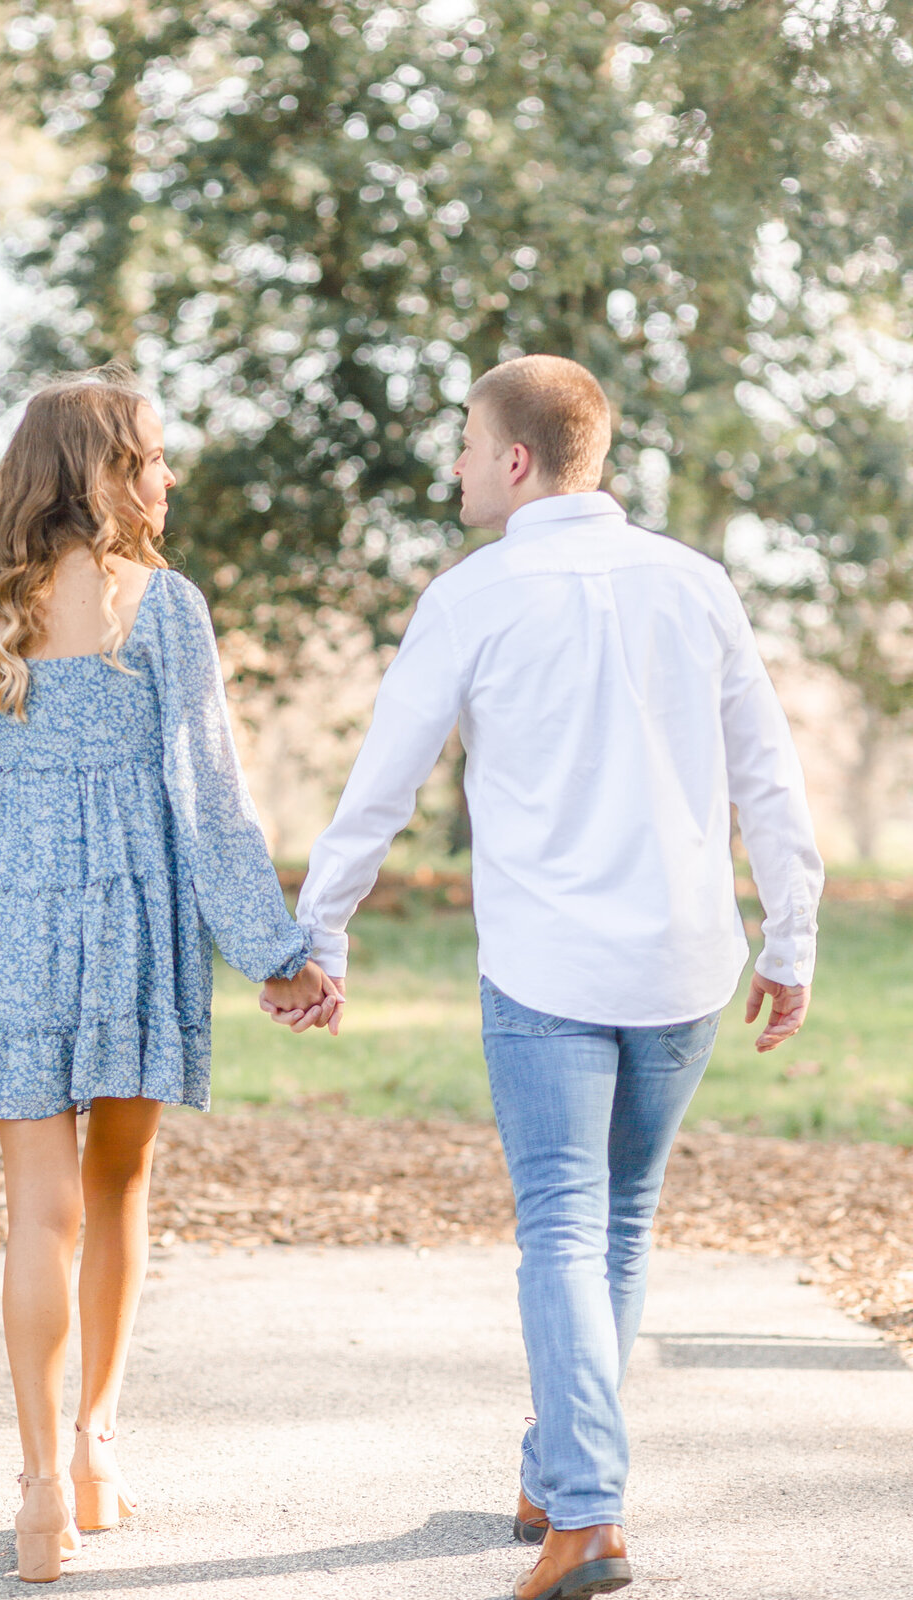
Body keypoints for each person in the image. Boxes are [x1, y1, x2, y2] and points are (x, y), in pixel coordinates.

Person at [273, 355, 823, 1600]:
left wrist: (325, 933)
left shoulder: (472, 596)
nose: (457, 466)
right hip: (685, 966)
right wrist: (790, 936)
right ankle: (555, 1467)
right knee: (615, 1225)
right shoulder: (699, 585)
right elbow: (769, 775)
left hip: (549, 973)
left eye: (467, 445)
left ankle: (588, 1516)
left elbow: (383, 782)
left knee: (567, 1228)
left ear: (515, 460)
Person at [0, 365, 340, 1583]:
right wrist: (276, 949)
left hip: (12, 919)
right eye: (152, 453)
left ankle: (38, 1494)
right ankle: (92, 1448)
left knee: (39, 1210)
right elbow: (212, 806)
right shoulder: (167, 607)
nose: (168, 472)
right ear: (103, 471)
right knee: (118, 1192)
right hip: (135, 918)